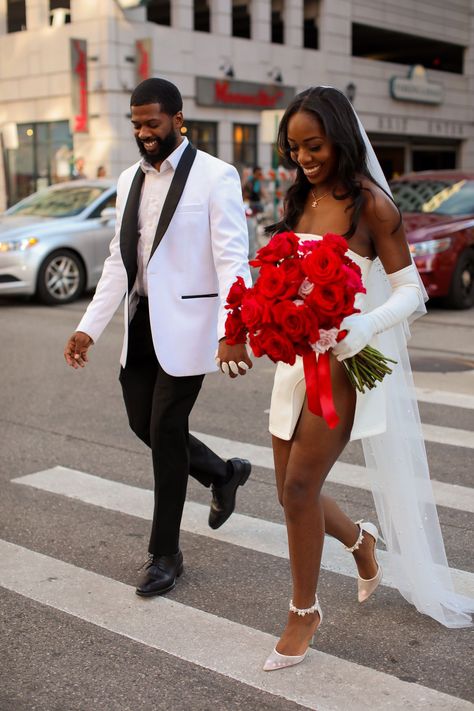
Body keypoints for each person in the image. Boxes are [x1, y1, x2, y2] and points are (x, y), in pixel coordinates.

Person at [260, 86, 473, 672]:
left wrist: (362, 325)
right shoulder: (298, 197)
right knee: (287, 493)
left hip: (346, 366)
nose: (303, 157)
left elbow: (413, 293)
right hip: (293, 360)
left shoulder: (372, 206)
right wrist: (252, 319)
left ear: (340, 139)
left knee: (300, 490)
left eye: (315, 145)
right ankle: (361, 542)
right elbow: (281, 272)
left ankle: (303, 611)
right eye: (295, 147)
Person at [64, 78, 253, 598]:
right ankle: (221, 473)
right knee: (142, 423)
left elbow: (232, 259)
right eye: (136, 123)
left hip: (191, 327)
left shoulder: (217, 176)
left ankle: (165, 553)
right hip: (140, 322)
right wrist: (88, 328)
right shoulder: (129, 180)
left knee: (166, 429)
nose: (144, 132)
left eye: (152, 122)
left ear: (177, 119)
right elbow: (117, 261)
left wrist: (232, 330)